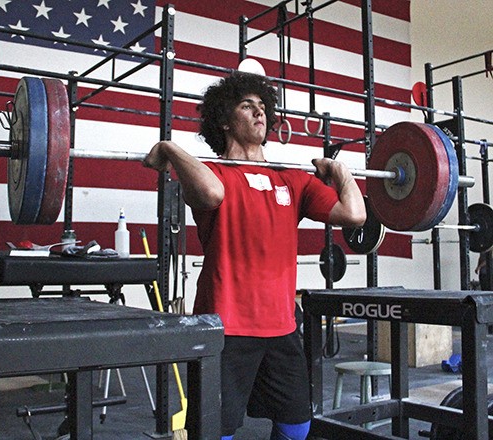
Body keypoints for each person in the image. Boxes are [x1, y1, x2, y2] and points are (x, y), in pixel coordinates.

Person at [143, 72, 366, 440]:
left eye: (263, 107)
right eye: (247, 106)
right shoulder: (209, 174)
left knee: (297, 426)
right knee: (217, 430)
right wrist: (170, 149)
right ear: (225, 121)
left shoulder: (293, 180)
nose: (259, 113)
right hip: (226, 325)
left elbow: (354, 215)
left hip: (281, 325)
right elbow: (213, 194)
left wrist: (341, 173)